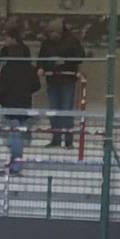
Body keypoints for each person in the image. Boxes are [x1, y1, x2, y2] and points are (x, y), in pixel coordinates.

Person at [0, 31, 38, 176]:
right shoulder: (29, 69)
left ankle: (15, 164)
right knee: (18, 134)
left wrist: (3, 100)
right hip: (24, 104)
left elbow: (0, 88)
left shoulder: (8, 69)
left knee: (14, 135)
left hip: (10, 104)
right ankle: (15, 162)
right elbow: (36, 85)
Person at [39, 19, 84, 148]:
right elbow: (41, 58)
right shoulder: (47, 43)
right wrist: (41, 67)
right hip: (52, 80)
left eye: (54, 32)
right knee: (54, 110)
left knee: (66, 110)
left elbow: (80, 56)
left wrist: (65, 61)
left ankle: (68, 140)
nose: (52, 35)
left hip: (67, 80)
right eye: (50, 33)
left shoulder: (72, 41)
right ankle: (56, 138)